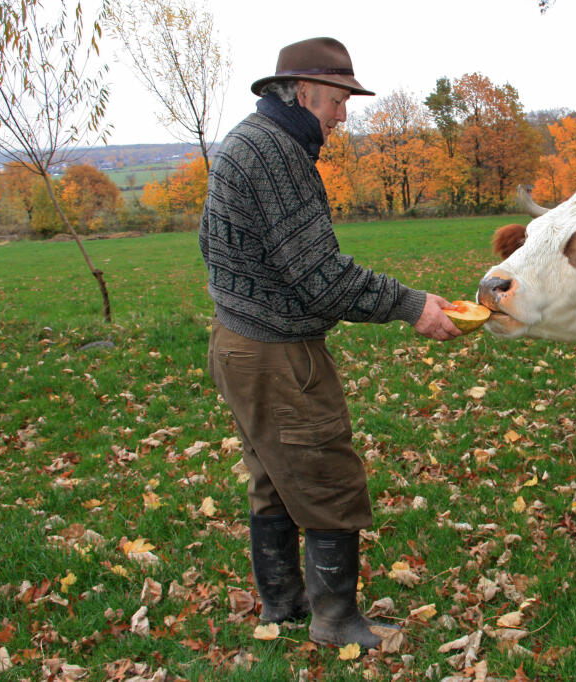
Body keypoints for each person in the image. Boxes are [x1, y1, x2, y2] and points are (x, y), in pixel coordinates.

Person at [199, 37, 462, 650]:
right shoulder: (278, 156)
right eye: (340, 98)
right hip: (273, 355)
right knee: (328, 480)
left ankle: (282, 603)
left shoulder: (248, 141)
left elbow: (213, 247)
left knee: (272, 476)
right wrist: (413, 306)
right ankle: (335, 622)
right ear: (303, 88)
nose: (344, 115)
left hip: (236, 342)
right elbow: (323, 279)